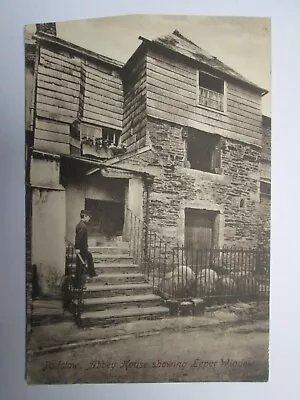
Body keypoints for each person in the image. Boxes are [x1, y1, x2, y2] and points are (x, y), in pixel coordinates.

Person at [75, 210, 97, 283]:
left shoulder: (81, 225)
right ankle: (78, 282)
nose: (89, 218)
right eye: (88, 217)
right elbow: (78, 238)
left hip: (83, 248)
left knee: (89, 256)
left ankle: (91, 273)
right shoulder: (82, 226)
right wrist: (77, 248)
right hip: (81, 249)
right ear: (84, 216)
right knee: (80, 266)